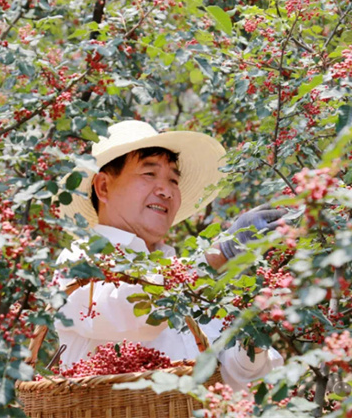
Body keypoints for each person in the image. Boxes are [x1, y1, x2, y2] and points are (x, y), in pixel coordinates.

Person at [55, 120, 287, 390]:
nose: (166, 190)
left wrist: (252, 336)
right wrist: (216, 255)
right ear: (104, 187)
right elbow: (135, 312)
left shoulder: (180, 271)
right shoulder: (79, 261)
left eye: (173, 180)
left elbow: (238, 378)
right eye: (149, 174)